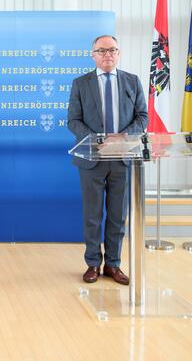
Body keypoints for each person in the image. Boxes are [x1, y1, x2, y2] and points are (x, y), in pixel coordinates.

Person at [67, 35, 148, 285]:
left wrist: (123, 137)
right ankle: (93, 263)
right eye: (101, 51)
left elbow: (142, 117)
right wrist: (97, 139)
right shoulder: (81, 83)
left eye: (112, 50)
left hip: (123, 160)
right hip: (92, 159)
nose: (107, 55)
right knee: (92, 215)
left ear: (119, 53)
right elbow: (73, 120)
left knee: (117, 216)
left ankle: (113, 265)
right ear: (93, 55)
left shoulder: (132, 82)